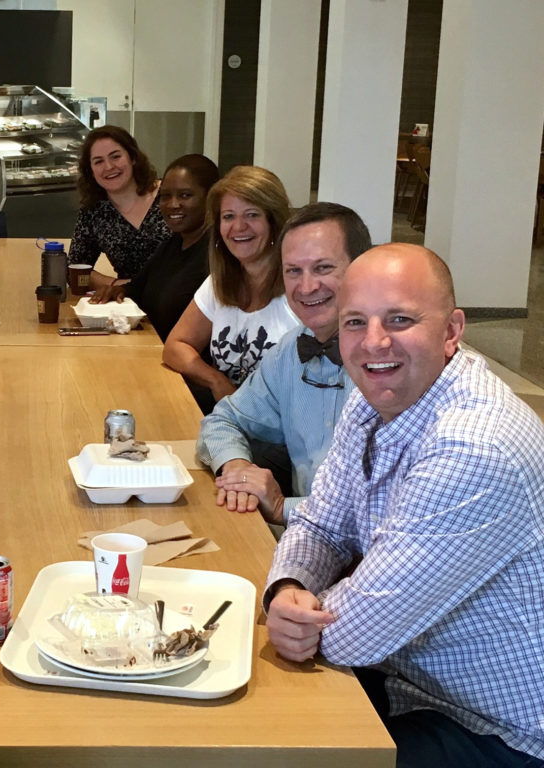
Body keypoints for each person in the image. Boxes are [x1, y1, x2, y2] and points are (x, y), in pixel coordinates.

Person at [265, 244, 544, 767]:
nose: (373, 343)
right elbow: (323, 523)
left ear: (452, 329)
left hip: (499, 730)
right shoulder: (374, 397)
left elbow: (355, 634)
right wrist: (288, 587)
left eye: (399, 319)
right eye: (355, 322)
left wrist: (299, 620)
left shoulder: (475, 446)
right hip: (409, 683)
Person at [198, 203, 371, 527]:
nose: (306, 287)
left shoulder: (390, 362)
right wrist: (236, 468)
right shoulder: (290, 351)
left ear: (361, 269)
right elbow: (222, 420)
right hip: (308, 543)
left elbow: (385, 509)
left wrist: (281, 507)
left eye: (322, 268)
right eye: (293, 271)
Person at [162, 165, 298, 412]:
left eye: (252, 215)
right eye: (228, 216)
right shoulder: (220, 281)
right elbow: (175, 346)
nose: (238, 227)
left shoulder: (299, 287)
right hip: (229, 424)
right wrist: (217, 382)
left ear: (274, 220)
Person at [89, 154, 220, 342]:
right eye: (165, 196)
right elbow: (137, 287)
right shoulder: (172, 244)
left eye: (185, 195)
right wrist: (117, 290)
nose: (173, 205)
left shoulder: (218, 254)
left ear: (211, 197)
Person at [68, 125, 170, 289]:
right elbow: (74, 269)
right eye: (98, 161)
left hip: (184, 300)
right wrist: (118, 285)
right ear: (90, 170)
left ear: (133, 158)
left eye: (115, 157)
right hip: (130, 305)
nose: (108, 167)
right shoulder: (94, 211)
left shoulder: (169, 196)